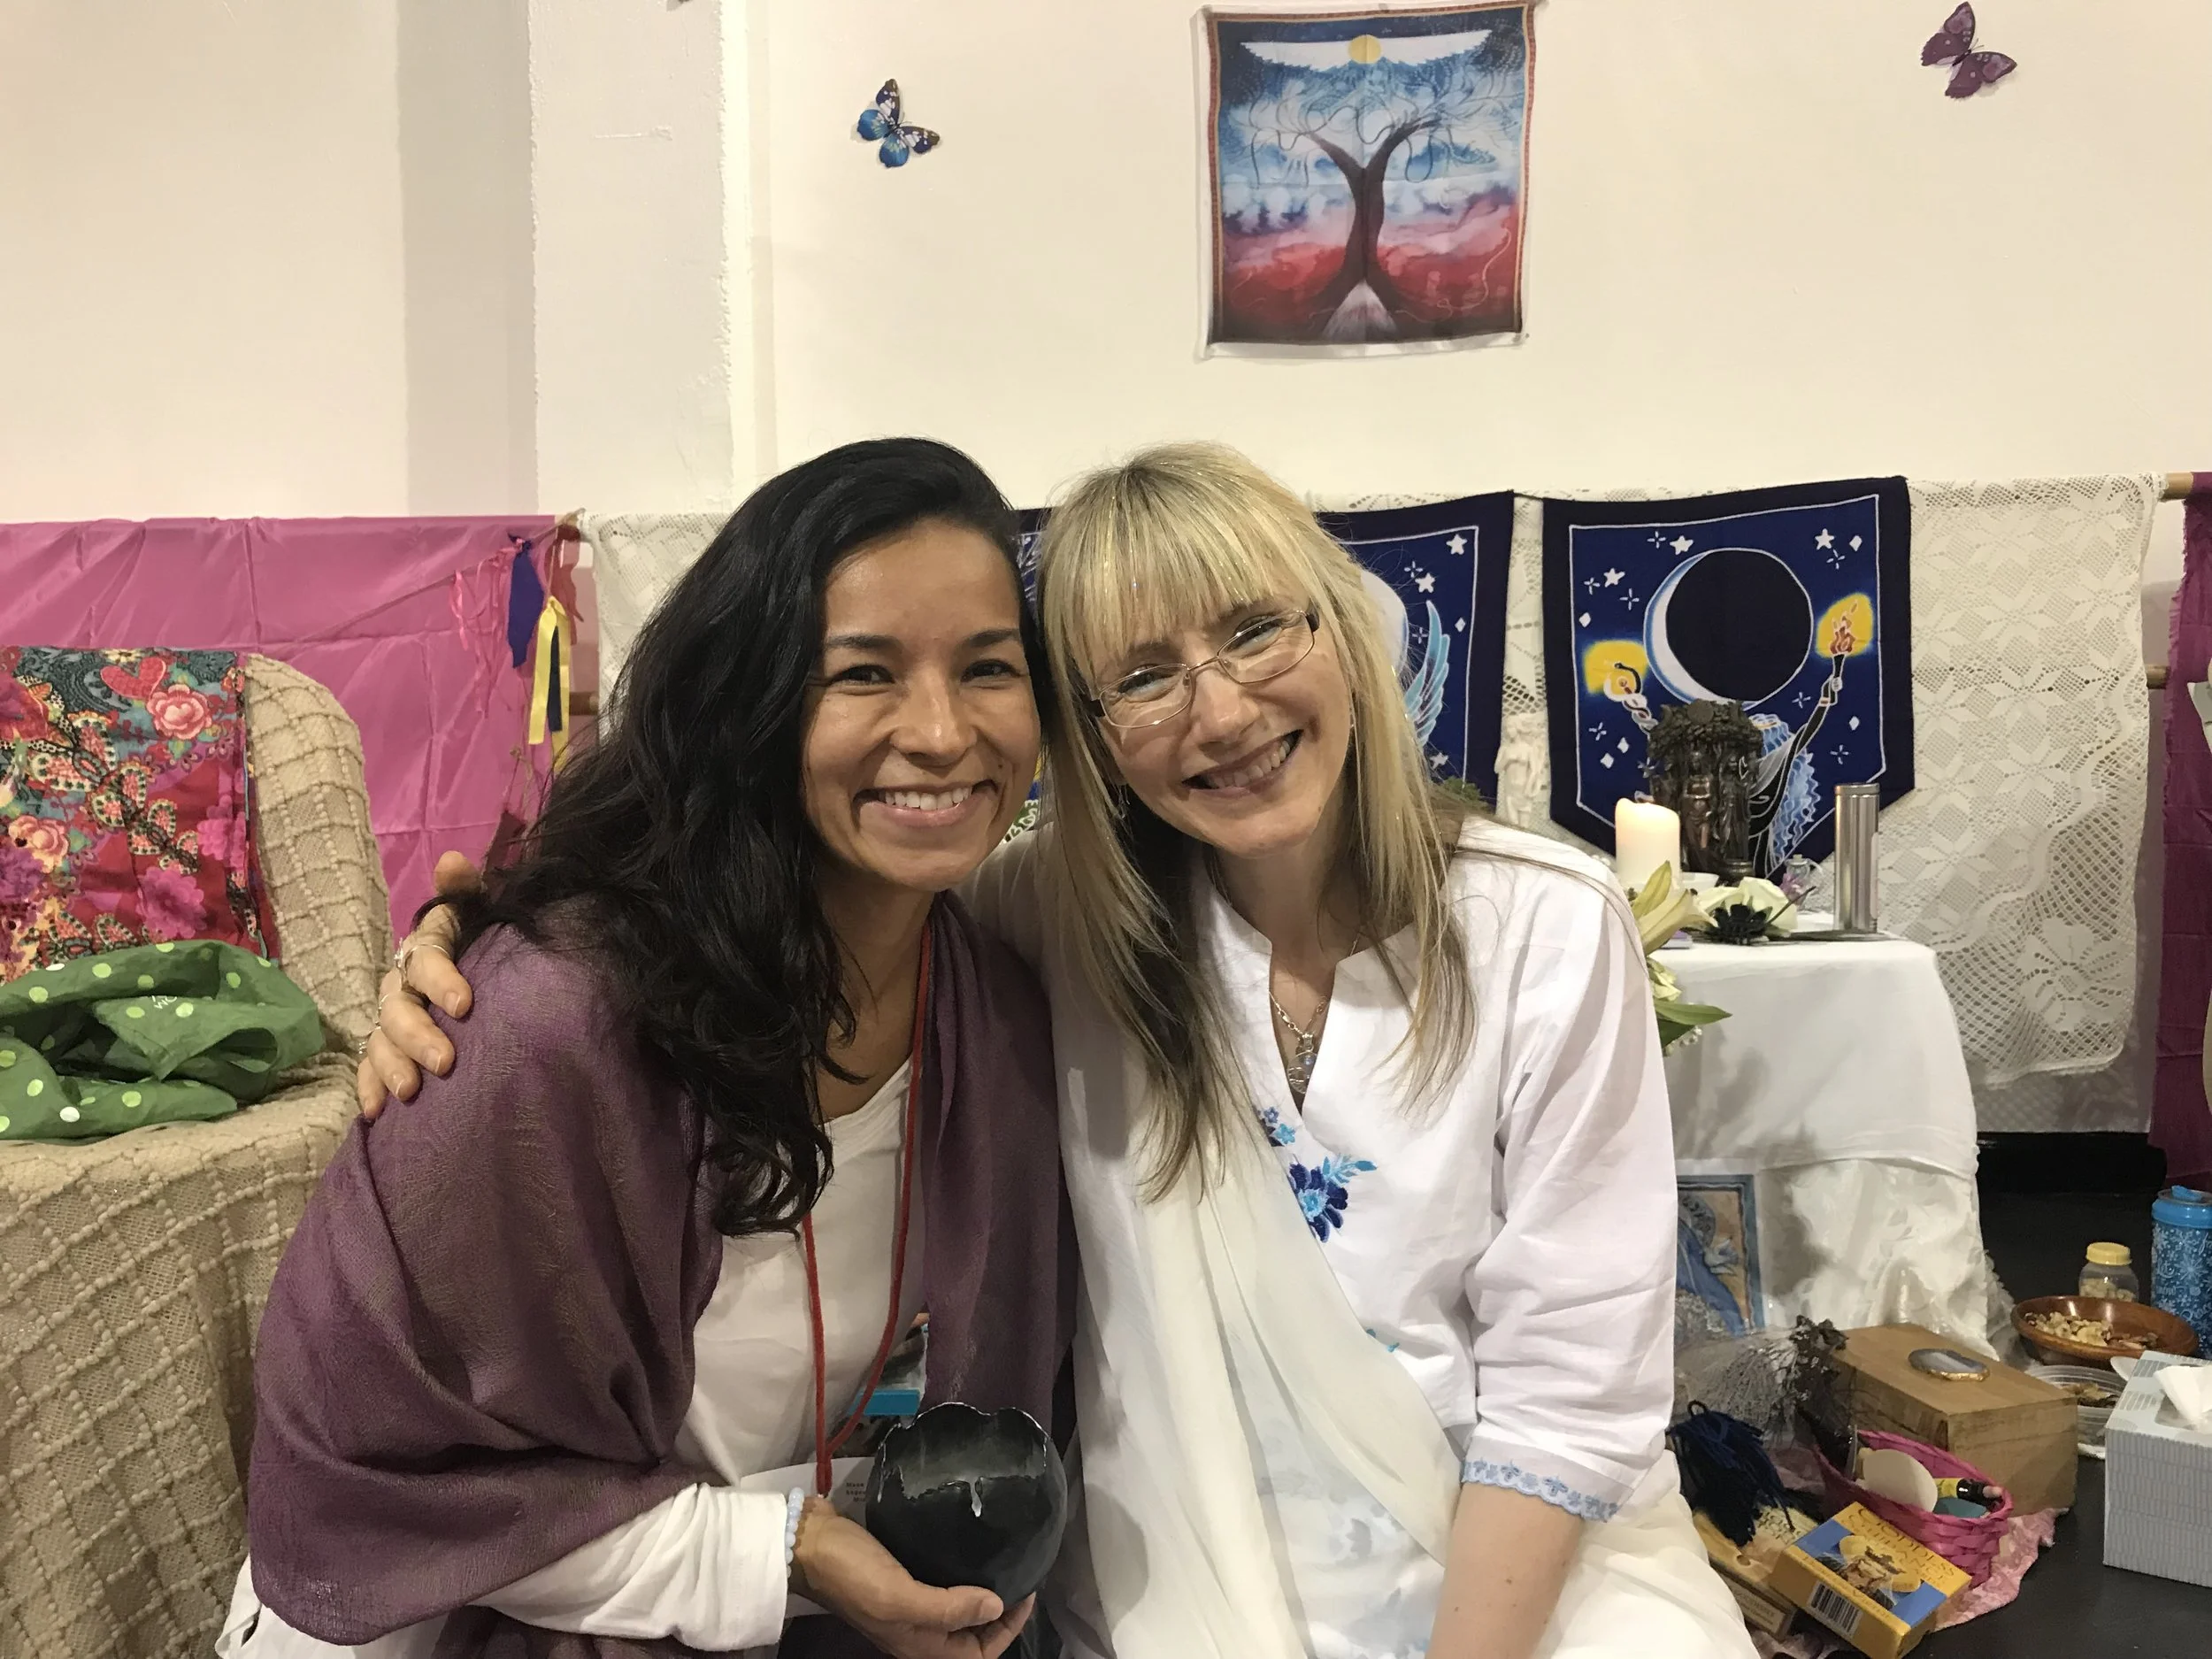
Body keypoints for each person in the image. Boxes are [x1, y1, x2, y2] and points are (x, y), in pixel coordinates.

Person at [365, 444, 1754, 1659]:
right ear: (1088, 735)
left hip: (1523, 1572)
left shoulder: (1543, 927)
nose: (1221, 712)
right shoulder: (1043, 921)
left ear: (1346, 629)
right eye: (1142, 677)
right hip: (1183, 1566)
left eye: (1258, 631)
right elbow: (771, 886)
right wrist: (482, 947)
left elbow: (1570, 1398)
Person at [227, 439, 1073, 1659]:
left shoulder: (993, 1007)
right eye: (864, 674)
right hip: (455, 1615)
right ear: (753, 700)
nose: (942, 732)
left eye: (988, 667)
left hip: (775, 1603)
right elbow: (372, 1486)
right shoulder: (547, 1026)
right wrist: (786, 1550)